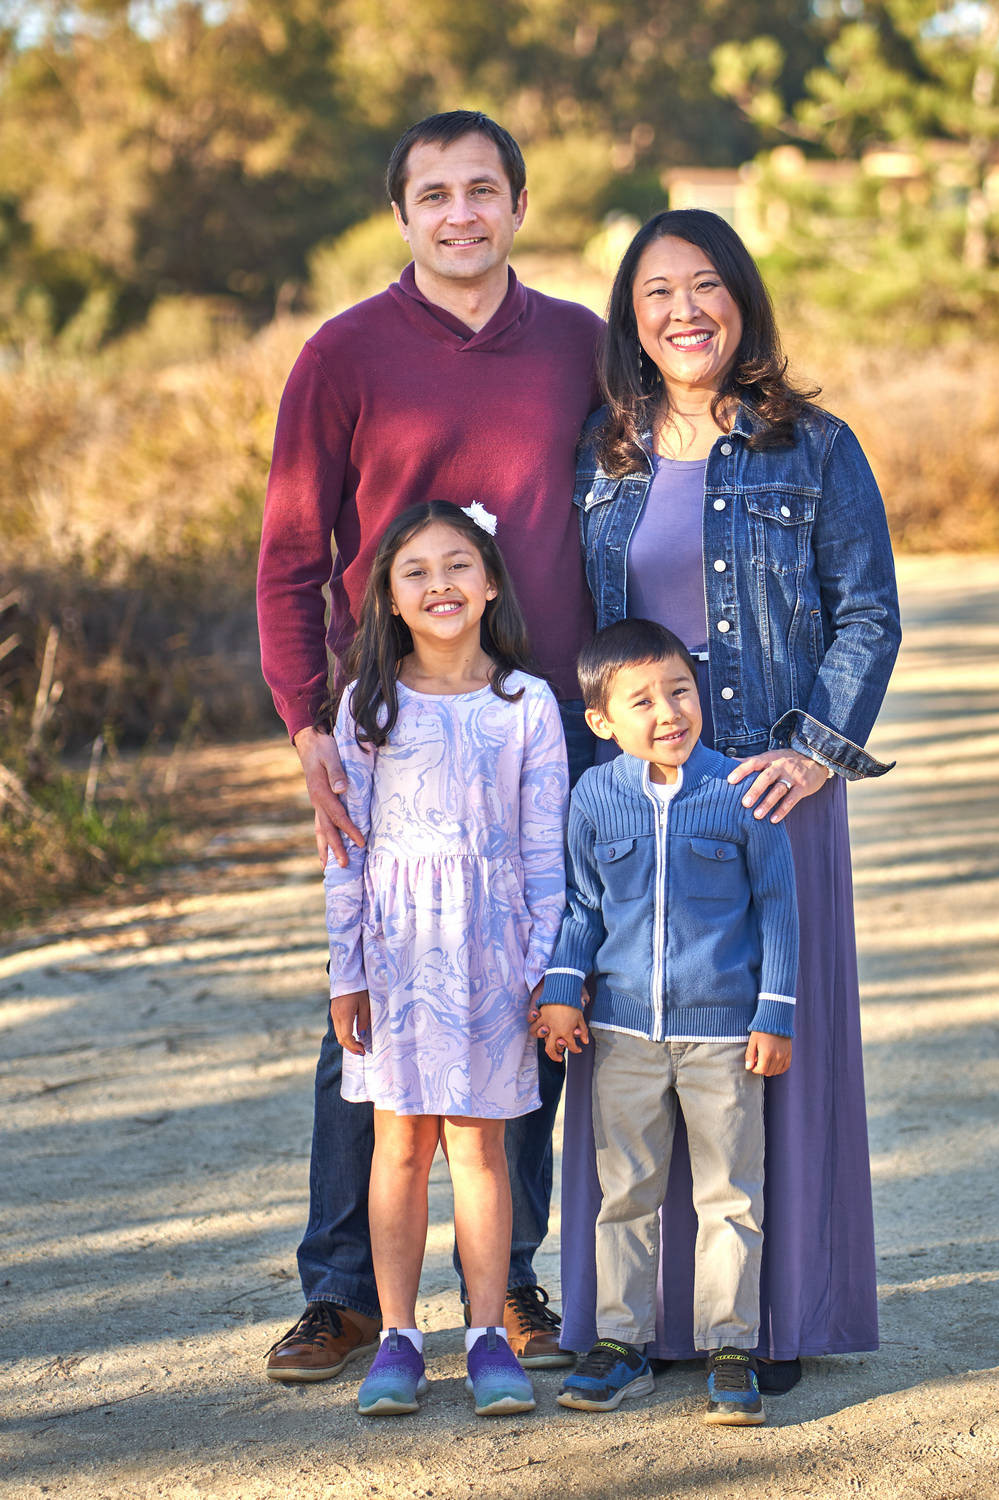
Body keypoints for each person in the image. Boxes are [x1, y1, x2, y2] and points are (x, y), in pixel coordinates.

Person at [258, 109, 603, 1381]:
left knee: (533, 992)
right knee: (375, 1002)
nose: (461, 213)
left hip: (543, 718)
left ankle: (507, 1287)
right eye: (433, 194)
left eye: (482, 190)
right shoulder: (342, 355)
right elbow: (293, 560)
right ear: (401, 216)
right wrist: (309, 727)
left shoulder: (578, 344)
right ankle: (346, 1292)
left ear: (518, 202)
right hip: (388, 720)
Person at [557, 209, 901, 1390]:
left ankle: (776, 1318)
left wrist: (814, 751)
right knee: (639, 1048)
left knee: (765, 1051)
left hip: (766, 790)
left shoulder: (816, 446)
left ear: (741, 302)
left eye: (706, 287)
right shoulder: (604, 457)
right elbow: (587, 633)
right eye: (657, 293)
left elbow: (868, 613)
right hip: (641, 799)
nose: (684, 311)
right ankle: (646, 1325)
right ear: (631, 320)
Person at [324, 501, 568, 1416]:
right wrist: (345, 967)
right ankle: (397, 1337)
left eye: (459, 565)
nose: (440, 586)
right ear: (388, 598)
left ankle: (486, 1336)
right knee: (399, 1148)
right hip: (396, 954)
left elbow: (547, 851)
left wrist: (548, 968)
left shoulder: (526, 704)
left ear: (492, 582)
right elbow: (344, 846)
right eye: (415, 571)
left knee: (480, 1148)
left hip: (492, 955)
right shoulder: (367, 706)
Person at [533, 619, 798, 1426]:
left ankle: (730, 1348)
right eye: (641, 700)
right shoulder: (594, 796)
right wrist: (562, 988)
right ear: (603, 721)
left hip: (724, 1038)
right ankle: (620, 1343)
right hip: (619, 1036)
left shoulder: (741, 789)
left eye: (679, 691)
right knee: (625, 1195)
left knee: (730, 1196)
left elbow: (778, 908)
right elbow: (582, 904)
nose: (668, 712)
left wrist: (775, 1011)